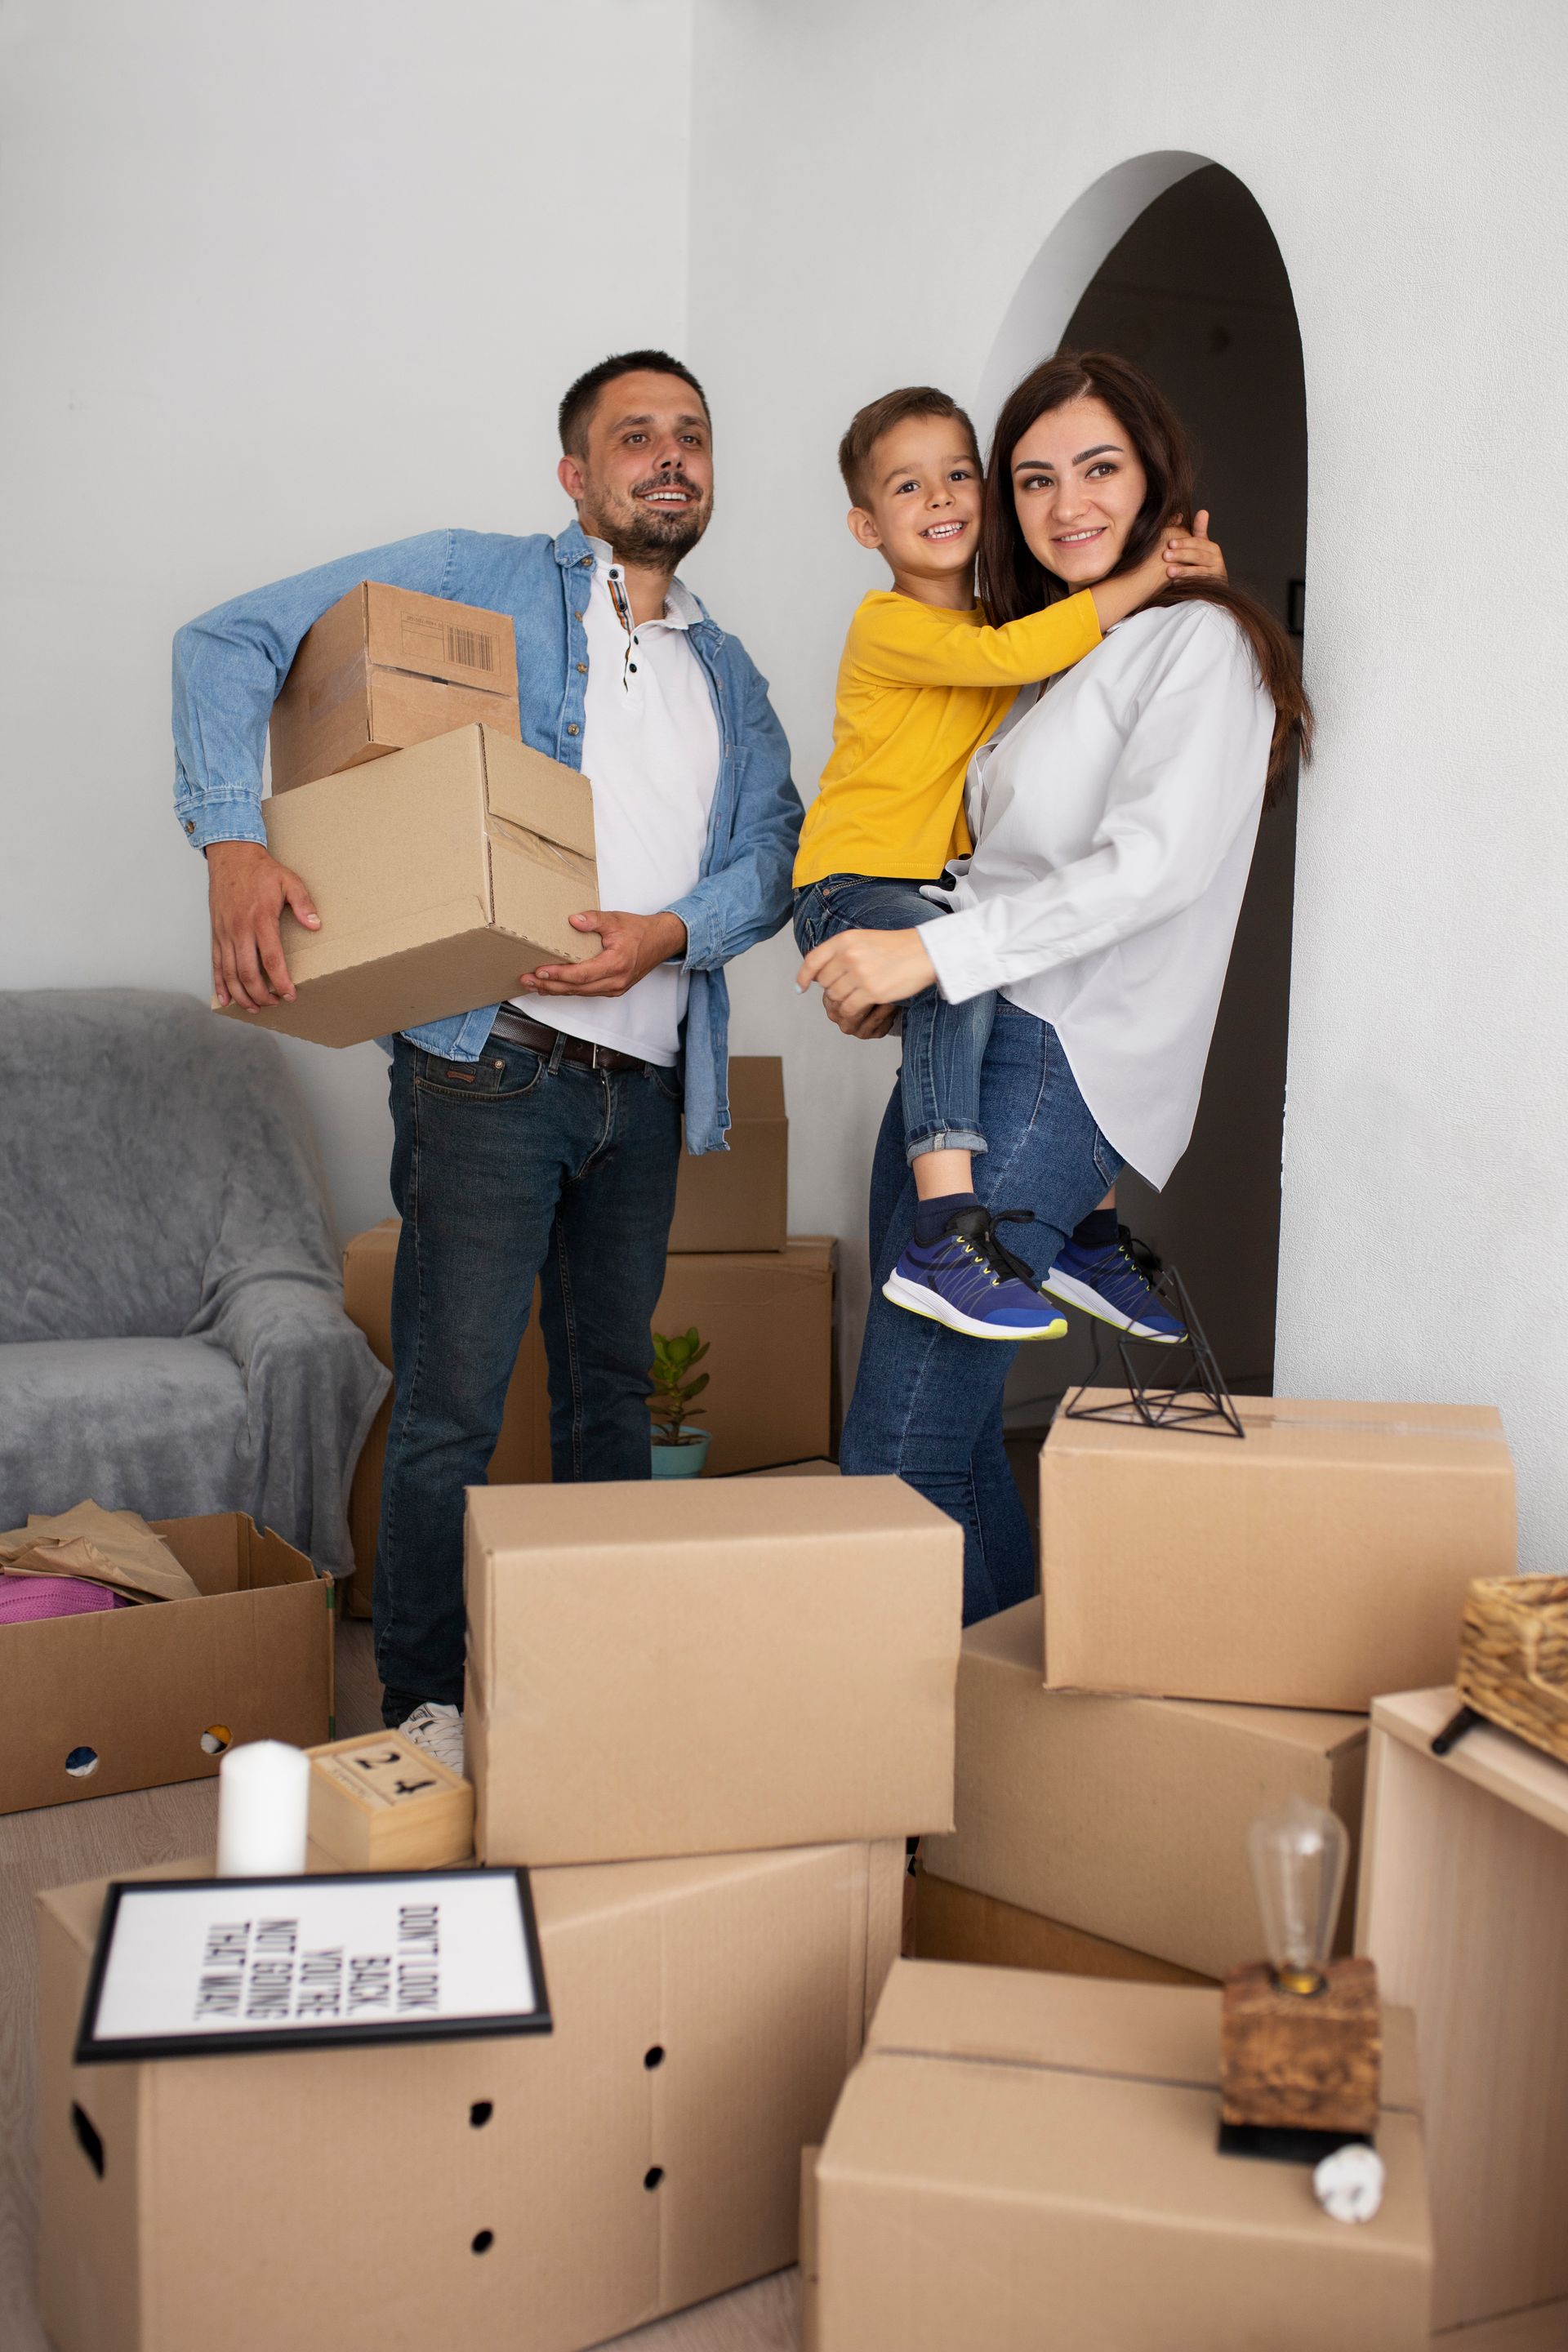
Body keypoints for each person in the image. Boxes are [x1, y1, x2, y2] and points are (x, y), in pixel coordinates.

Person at [172, 350, 801, 1764]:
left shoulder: (731, 673)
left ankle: (590, 1679)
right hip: (489, 1068)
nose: (670, 456)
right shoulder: (479, 580)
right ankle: (423, 1706)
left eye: (691, 435)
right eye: (633, 436)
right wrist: (233, 838)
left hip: (642, 1091)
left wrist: (665, 934)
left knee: (606, 1397)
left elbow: (776, 856)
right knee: (453, 1406)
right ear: (575, 475)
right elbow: (226, 641)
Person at [798, 350, 1312, 1623]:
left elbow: (1155, 866)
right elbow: (984, 877)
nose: (1064, 502)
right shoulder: (1043, 669)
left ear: (1153, 482)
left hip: (1050, 1064)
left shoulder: (1198, 644)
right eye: (1033, 478)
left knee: (896, 1446)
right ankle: (999, 1764)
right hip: (977, 1055)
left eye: (1098, 468)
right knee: (958, 1441)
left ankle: (877, 1780)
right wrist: (899, 976)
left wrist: (929, 953)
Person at [792, 385, 1223, 1342]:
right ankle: (946, 1227)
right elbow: (1028, 649)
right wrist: (1151, 572)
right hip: (849, 883)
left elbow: (1077, 660)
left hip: (931, 892)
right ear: (867, 525)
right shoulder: (892, 625)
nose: (942, 497)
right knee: (960, 965)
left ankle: (1089, 1237)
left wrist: (1195, 589)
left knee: (991, 965)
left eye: (959, 475)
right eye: (909, 486)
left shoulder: (1001, 627)